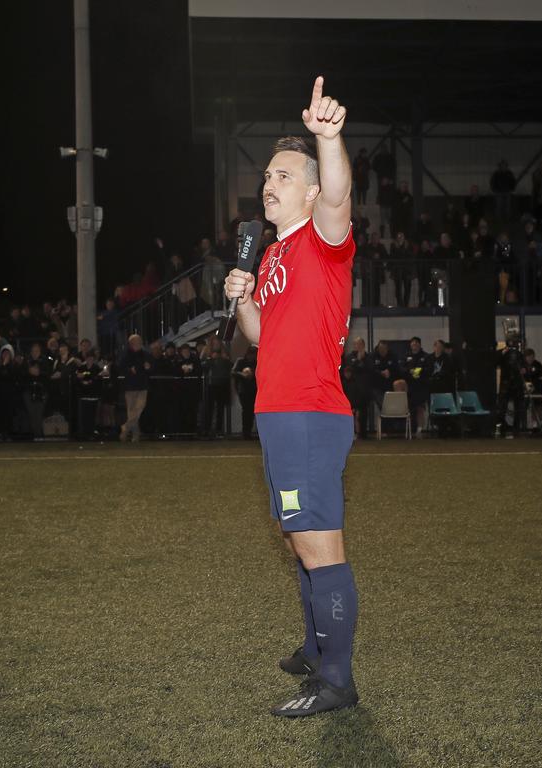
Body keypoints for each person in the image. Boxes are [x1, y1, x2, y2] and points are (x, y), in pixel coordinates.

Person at [224, 76, 359, 717]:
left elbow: (338, 195)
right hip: (278, 413)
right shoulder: (276, 254)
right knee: (294, 537)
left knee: (317, 544)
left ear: (307, 190)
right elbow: (257, 336)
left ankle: (336, 681)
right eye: (265, 178)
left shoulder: (322, 240)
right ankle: (315, 646)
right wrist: (247, 297)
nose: (267, 186)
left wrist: (327, 140)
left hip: (308, 412)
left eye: (281, 176)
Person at [119, 334, 151, 442]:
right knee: (132, 411)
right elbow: (121, 368)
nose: (139, 343)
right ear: (131, 344)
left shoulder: (146, 354)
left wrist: (148, 367)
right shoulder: (126, 355)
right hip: (130, 386)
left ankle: (126, 427)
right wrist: (129, 370)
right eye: (137, 342)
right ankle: (135, 435)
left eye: (140, 341)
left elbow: (151, 367)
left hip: (142, 386)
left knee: (140, 407)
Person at [403, 336, 431, 434]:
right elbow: (401, 369)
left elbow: (428, 370)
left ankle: (420, 429)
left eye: (416, 343)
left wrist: (420, 371)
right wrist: (409, 371)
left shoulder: (426, 356)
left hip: (421, 386)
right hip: (410, 387)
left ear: (419, 344)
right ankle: (410, 430)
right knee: (410, 409)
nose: (414, 345)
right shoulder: (406, 356)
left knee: (420, 408)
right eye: (412, 343)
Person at [232, 346, 258, 438]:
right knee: (247, 411)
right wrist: (243, 375)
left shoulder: (256, 363)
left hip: (255, 390)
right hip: (244, 390)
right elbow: (233, 372)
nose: (251, 356)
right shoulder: (241, 361)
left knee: (253, 412)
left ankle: (250, 431)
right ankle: (246, 432)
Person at [522, 348, 542, 432]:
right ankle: (534, 426)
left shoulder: (538, 365)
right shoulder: (522, 366)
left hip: (539, 390)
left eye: (532, 357)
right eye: (528, 357)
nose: (530, 359)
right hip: (527, 390)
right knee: (531, 407)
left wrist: (535, 383)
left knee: (540, 407)